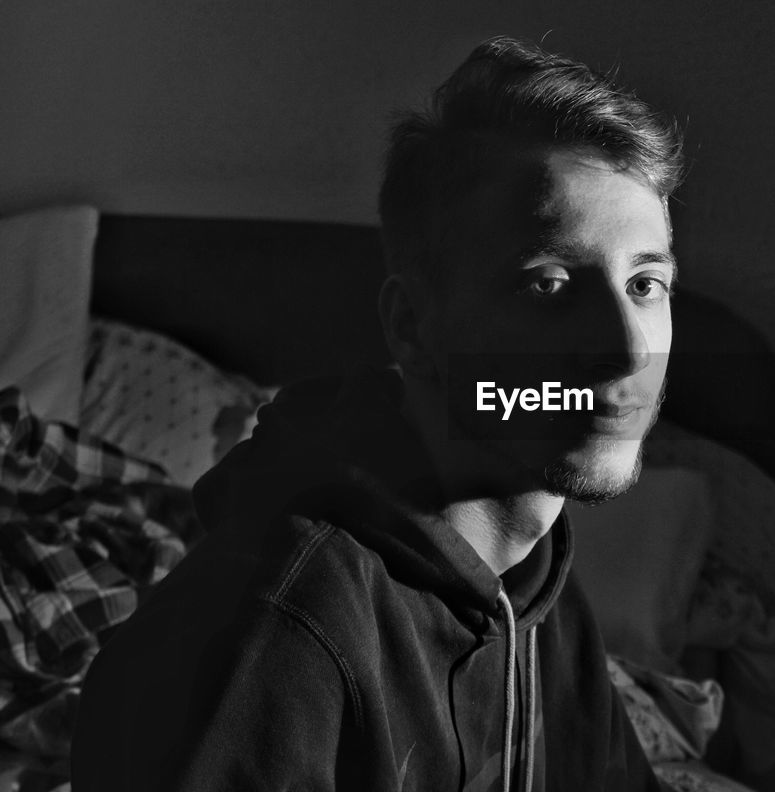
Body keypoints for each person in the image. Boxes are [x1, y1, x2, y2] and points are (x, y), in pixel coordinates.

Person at [72, 35, 684, 792]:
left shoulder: (535, 584)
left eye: (646, 285)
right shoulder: (278, 629)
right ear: (413, 328)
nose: (627, 354)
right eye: (549, 285)